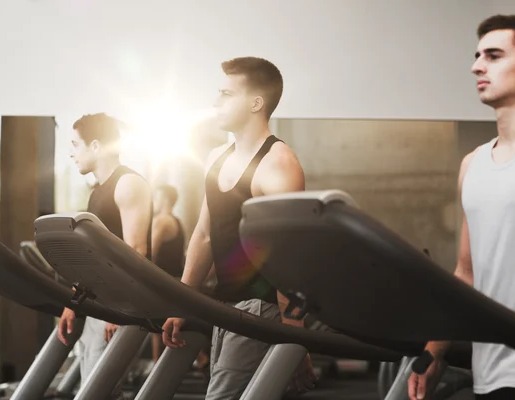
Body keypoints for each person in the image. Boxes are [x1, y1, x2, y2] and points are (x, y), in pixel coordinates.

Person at [408, 15, 515, 400]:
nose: (477, 66)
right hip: (488, 368)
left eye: (493, 55)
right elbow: (466, 271)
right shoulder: (472, 164)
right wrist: (434, 352)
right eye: (477, 56)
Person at [161, 56, 318, 399]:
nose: (216, 102)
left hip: (262, 307)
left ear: (255, 102)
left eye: (226, 94)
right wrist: (181, 302)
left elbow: (289, 257)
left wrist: (297, 338)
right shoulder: (217, 157)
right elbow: (204, 234)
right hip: (226, 303)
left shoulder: (278, 164)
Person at [56, 113, 153, 387]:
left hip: (117, 306)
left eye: (76, 145)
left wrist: (122, 311)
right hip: (99, 305)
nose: (72, 154)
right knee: (91, 387)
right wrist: (72, 304)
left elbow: (136, 252)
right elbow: (93, 257)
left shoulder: (127, 184)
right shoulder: (98, 191)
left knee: (101, 390)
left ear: (96, 146)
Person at [150, 184, 185, 362]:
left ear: (163, 198)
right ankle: (202, 360)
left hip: (163, 283)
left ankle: (157, 366)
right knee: (164, 327)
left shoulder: (161, 221)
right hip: (175, 281)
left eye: (155, 197)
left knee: (157, 329)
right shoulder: (176, 221)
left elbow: (150, 253)